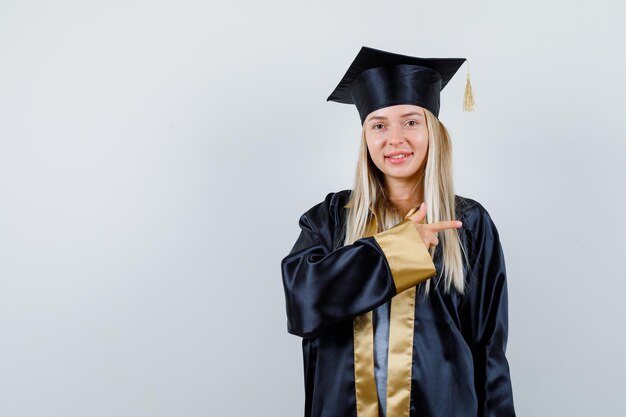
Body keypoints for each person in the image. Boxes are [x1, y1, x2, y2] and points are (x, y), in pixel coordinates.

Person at [280, 46, 516, 417]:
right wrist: (400, 250)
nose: (395, 139)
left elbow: (488, 348)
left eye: (410, 122)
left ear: (433, 132)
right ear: (366, 137)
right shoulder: (329, 218)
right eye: (379, 125)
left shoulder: (468, 222)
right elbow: (304, 302)